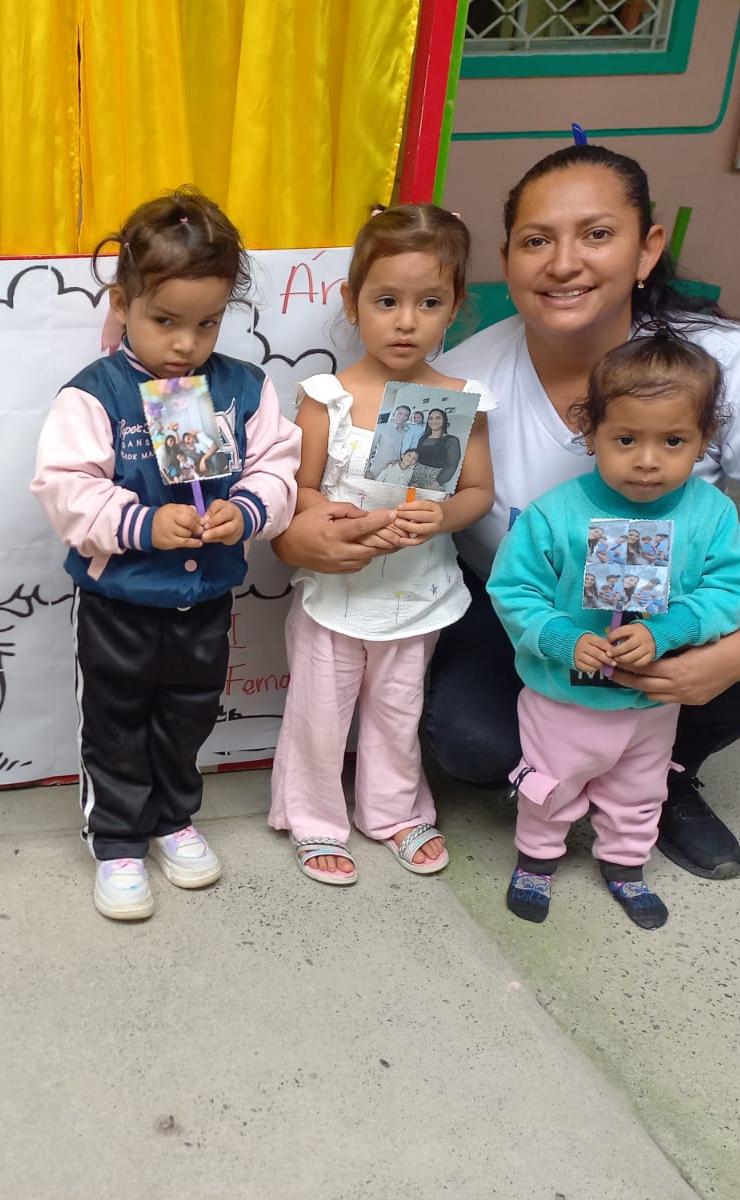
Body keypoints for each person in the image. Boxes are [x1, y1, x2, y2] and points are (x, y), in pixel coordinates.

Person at [272, 143, 740, 880]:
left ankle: (659, 772)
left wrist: (732, 657)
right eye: (536, 241)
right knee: (470, 742)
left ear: (647, 248)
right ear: (505, 260)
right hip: (520, 615)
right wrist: (310, 536)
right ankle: (560, 771)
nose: (563, 263)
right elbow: (384, 504)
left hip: (660, 620)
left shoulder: (723, 362)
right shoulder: (458, 384)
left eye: (597, 234)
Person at [31, 186, 300, 920]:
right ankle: (119, 840)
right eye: (165, 321)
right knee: (116, 721)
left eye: (206, 323)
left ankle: (174, 817)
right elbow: (65, 490)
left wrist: (246, 511)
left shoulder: (244, 388)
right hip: (118, 602)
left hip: (205, 599)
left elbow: (278, 468)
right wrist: (142, 524)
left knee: (189, 713)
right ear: (123, 303)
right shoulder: (93, 395)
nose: (185, 344)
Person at [489, 334, 740, 929]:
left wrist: (673, 629)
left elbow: (733, 587)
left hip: (650, 703)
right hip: (564, 697)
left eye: (673, 441)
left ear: (705, 439)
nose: (648, 460)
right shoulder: (554, 514)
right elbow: (514, 589)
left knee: (640, 789)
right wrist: (561, 638)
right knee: (550, 786)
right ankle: (536, 861)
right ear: (591, 432)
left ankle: (626, 864)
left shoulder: (712, 514)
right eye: (626, 439)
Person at [268, 204, 494, 884]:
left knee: (399, 712)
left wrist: (442, 517)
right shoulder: (327, 397)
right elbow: (299, 490)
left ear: (455, 307)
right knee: (319, 713)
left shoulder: (460, 400)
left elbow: (478, 492)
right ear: (352, 302)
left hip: (416, 594)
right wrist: (336, 515)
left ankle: (394, 811)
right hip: (336, 594)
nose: (406, 321)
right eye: (387, 301)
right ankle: (313, 817)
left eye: (429, 303)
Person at [414, 408, 463, 487]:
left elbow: (452, 465)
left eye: (438, 418)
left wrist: (436, 484)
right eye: (431, 418)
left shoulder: (451, 440)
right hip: (414, 478)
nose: (434, 421)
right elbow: (416, 456)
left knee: (425, 496)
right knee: (409, 495)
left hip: (434, 481)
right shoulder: (423, 438)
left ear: (444, 420)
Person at [366, 402, 412, 477]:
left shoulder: (407, 433)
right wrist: (367, 470)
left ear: (408, 418)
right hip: (378, 469)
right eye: (400, 413)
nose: (402, 417)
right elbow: (370, 449)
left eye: (406, 415)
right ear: (394, 414)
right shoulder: (381, 428)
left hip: (395, 470)